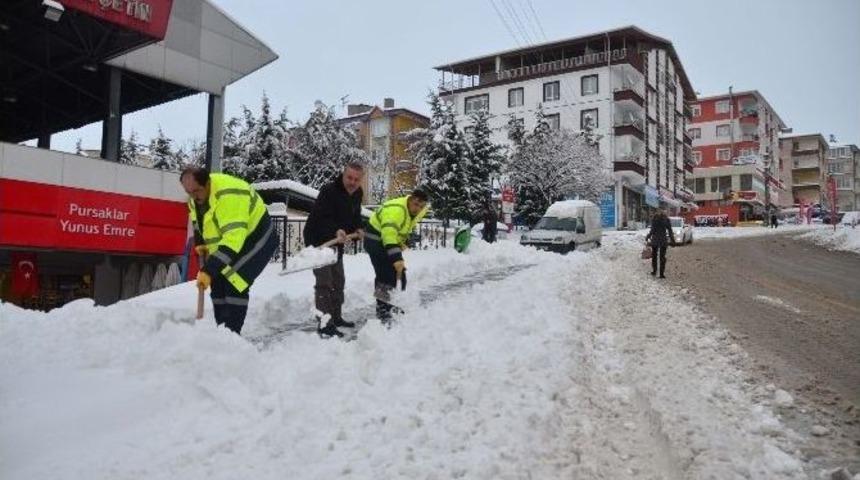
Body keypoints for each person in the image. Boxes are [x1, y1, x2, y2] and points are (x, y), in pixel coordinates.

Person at [181, 167, 277, 335]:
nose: (193, 196)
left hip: (258, 237)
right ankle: (222, 334)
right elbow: (198, 224)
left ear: (208, 183)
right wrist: (201, 244)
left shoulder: (230, 195)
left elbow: (233, 240)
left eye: (197, 191)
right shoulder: (194, 199)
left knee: (235, 280)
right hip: (232, 241)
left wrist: (209, 270)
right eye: (189, 192)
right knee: (217, 282)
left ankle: (232, 336)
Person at [303, 162, 365, 338]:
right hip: (318, 241)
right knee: (325, 282)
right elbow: (321, 217)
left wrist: (359, 227)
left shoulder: (357, 193)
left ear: (360, 180)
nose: (352, 182)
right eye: (349, 177)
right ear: (343, 175)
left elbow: (355, 216)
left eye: (356, 179)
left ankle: (336, 317)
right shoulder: (329, 191)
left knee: (338, 280)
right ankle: (325, 324)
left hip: (337, 242)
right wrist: (335, 229)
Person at [363, 188, 429, 324]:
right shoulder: (397, 211)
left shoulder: (419, 211)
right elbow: (389, 234)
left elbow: (406, 226)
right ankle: (383, 311)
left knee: (401, 274)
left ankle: (394, 305)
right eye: (416, 204)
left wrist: (403, 241)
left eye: (421, 206)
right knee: (385, 274)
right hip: (375, 239)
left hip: (388, 240)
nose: (418, 208)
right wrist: (396, 258)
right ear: (410, 199)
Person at [644, 208, 676, 279]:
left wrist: (648, 236)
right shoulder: (666, 220)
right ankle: (661, 274)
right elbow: (670, 230)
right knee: (662, 257)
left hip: (655, 240)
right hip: (663, 241)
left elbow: (652, 230)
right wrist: (672, 240)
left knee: (654, 256)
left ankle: (654, 271)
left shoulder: (655, 219)